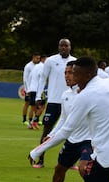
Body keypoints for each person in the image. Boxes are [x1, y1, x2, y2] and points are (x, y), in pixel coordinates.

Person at [31, 61, 106, 182]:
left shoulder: (89, 93)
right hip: (71, 140)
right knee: (59, 169)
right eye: (65, 73)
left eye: (70, 73)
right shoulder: (65, 95)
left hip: (88, 140)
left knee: (84, 169)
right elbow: (64, 121)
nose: (67, 76)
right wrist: (51, 134)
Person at [33, 39, 76, 168]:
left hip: (71, 100)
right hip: (53, 101)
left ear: (70, 47)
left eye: (66, 45)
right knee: (47, 129)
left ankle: (71, 162)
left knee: (73, 131)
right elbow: (43, 79)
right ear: (58, 47)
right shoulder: (51, 61)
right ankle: (40, 159)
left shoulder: (75, 62)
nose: (63, 48)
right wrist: (38, 96)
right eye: (61, 45)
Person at [27, 54, 47, 130]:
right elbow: (42, 77)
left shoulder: (35, 66)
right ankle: (35, 121)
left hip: (32, 88)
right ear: (43, 59)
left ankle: (31, 123)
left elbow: (30, 77)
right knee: (43, 106)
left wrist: (29, 88)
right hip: (38, 89)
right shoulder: (43, 67)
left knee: (32, 107)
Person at [22, 53, 40, 126]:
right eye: (36, 58)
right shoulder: (28, 66)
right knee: (27, 103)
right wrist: (27, 89)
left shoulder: (38, 66)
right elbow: (25, 79)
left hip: (36, 88)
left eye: (39, 58)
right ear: (33, 57)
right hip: (29, 88)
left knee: (35, 104)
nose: (38, 60)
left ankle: (35, 119)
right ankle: (24, 119)